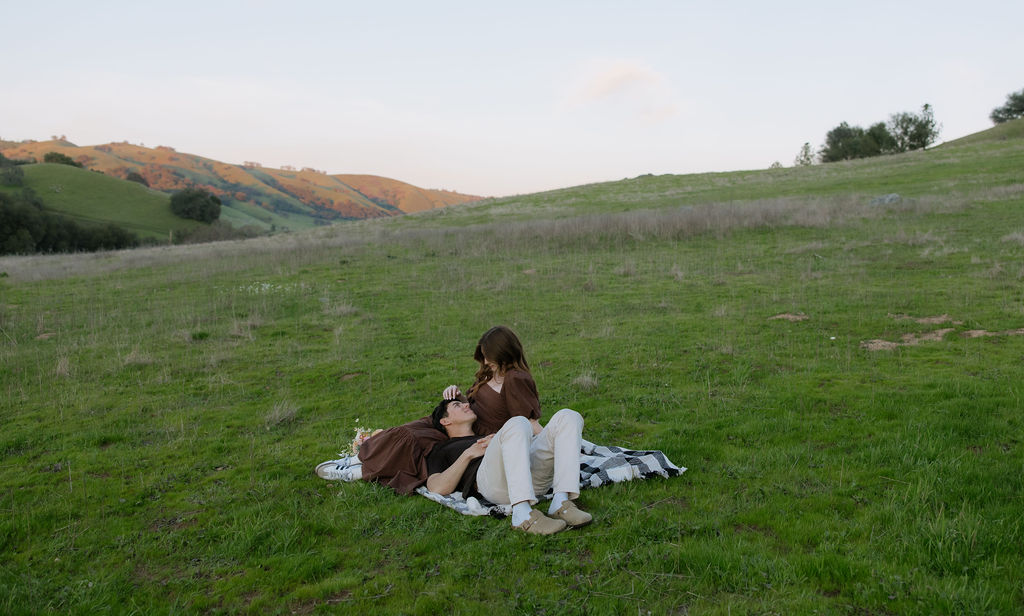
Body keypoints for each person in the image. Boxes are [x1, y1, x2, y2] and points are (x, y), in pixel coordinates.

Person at [426, 398, 592, 534]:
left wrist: (498, 438)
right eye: (457, 405)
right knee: (519, 422)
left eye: (464, 402)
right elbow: (436, 486)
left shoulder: (491, 434)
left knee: (568, 416)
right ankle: (522, 514)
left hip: (530, 478)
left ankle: (561, 502)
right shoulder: (442, 448)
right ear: (445, 420)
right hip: (494, 484)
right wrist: (469, 453)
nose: (466, 404)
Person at [442, 325, 542, 436]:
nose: (485, 362)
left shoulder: (514, 379)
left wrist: (549, 444)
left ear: (502, 353)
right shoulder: (489, 373)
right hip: (461, 428)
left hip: (487, 442)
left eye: (488, 356)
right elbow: (477, 406)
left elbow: (529, 422)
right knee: (421, 429)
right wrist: (459, 396)